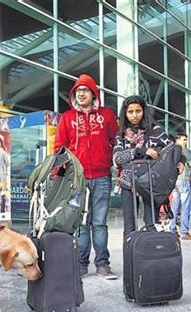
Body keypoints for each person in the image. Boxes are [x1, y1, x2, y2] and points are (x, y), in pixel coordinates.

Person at [54, 73, 119, 280]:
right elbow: (59, 148)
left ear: (93, 93)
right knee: (81, 222)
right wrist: (60, 175)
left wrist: (118, 164)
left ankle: (102, 264)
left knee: (99, 222)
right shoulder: (67, 118)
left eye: (85, 90)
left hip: (102, 176)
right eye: (77, 91)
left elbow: (116, 141)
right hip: (77, 179)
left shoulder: (107, 115)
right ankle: (81, 265)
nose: (81, 93)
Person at [113, 95, 171, 238]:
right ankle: (131, 256)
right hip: (128, 182)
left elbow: (172, 148)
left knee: (151, 223)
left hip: (150, 183)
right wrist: (141, 151)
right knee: (129, 224)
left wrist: (181, 161)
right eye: (130, 112)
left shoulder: (156, 131)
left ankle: (151, 257)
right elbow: (118, 157)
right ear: (125, 114)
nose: (134, 115)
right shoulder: (121, 135)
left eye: (138, 111)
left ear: (144, 111)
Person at [168, 132, 191, 240]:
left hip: (174, 181)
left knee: (175, 206)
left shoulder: (170, 149)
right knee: (186, 207)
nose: (186, 142)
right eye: (184, 139)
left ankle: (172, 230)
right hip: (184, 180)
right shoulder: (182, 149)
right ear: (178, 139)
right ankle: (184, 232)